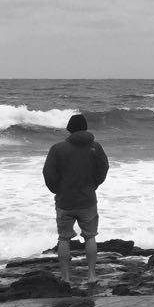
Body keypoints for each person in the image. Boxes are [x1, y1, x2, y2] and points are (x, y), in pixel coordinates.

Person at [42, 114, 109, 285]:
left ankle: (65, 278)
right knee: (90, 236)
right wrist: (94, 184)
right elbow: (103, 168)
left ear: (69, 128)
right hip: (87, 200)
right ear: (85, 128)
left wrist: (57, 189)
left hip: (65, 201)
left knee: (64, 238)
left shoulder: (57, 148)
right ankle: (92, 275)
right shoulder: (96, 147)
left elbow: (48, 173)